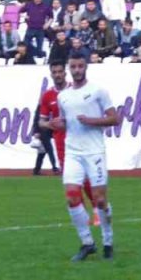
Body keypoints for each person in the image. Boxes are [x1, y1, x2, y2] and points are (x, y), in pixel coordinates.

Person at [46, 53, 120, 260]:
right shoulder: (64, 96)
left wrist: (91, 120)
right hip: (73, 152)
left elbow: (115, 118)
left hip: (94, 151)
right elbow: (65, 121)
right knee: (71, 197)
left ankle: (108, 240)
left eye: (80, 66)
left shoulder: (98, 91)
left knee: (100, 199)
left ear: (86, 67)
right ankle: (87, 242)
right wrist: (58, 124)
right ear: (70, 69)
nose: (77, 70)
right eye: (73, 67)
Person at [36, 61, 98, 224]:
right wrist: (51, 124)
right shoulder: (48, 95)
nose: (57, 74)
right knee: (72, 179)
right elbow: (41, 122)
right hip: (61, 141)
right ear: (51, 74)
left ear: (65, 73)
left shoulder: (75, 91)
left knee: (85, 176)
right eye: (54, 72)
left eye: (59, 71)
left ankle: (97, 209)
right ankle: (84, 216)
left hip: (80, 138)